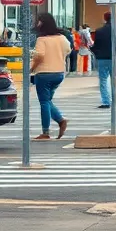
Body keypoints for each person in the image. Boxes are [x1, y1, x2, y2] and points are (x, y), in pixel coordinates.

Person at [30, 12, 71, 140]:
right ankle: (60, 120)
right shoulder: (62, 38)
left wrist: (32, 67)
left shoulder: (41, 39)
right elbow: (68, 50)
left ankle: (46, 132)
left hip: (44, 73)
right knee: (47, 101)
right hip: (59, 73)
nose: (37, 24)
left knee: (44, 102)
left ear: (43, 23)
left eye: (39, 21)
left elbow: (40, 55)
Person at [91, 12, 116, 108]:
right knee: (113, 80)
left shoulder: (99, 31)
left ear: (105, 19)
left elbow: (96, 45)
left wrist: (95, 52)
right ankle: (114, 100)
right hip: (113, 57)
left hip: (102, 57)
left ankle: (106, 101)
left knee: (103, 80)